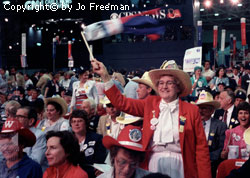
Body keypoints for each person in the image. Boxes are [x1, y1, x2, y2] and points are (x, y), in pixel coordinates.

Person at [92, 59, 211, 178]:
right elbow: (121, 103)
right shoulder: (150, 103)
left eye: (170, 83)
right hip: (152, 165)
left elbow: (201, 149)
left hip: (182, 167)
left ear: (178, 87)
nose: (164, 86)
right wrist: (105, 76)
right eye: (161, 83)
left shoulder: (191, 110)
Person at [195, 90, 227, 178]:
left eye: (204, 108)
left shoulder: (221, 126)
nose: (201, 111)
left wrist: (204, 157)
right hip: (193, 164)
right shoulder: (191, 124)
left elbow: (221, 148)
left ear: (212, 111)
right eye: (199, 107)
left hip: (211, 165)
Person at [70, 109, 106, 177]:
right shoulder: (67, 140)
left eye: (80, 121)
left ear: (86, 123)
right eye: (73, 121)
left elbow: (99, 163)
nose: (76, 124)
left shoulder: (97, 138)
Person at [16, 106, 48, 172]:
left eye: (20, 117)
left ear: (31, 121)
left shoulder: (39, 135)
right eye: (16, 116)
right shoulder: (14, 134)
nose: (16, 119)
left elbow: (36, 161)